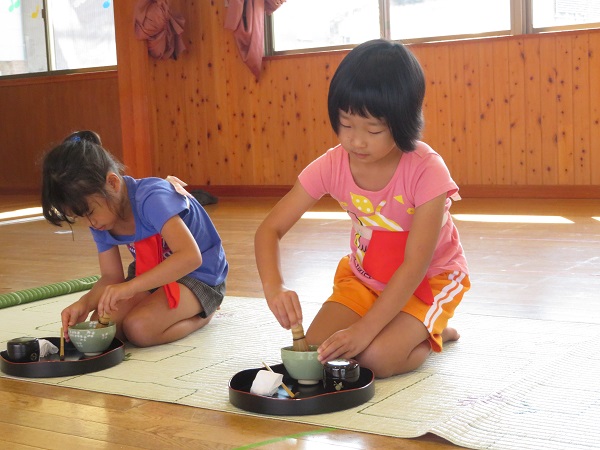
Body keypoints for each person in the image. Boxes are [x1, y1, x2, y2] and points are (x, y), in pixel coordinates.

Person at [254, 39, 470, 378]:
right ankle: (411, 329)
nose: (356, 140)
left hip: (428, 280)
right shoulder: (332, 165)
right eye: (346, 124)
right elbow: (270, 229)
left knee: (376, 359)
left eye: (373, 129)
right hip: (366, 278)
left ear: (402, 122)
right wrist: (274, 287)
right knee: (317, 354)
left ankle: (433, 331)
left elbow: (415, 264)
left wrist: (365, 330)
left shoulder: (427, 170)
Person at [42, 130, 228, 347]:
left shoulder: (152, 198)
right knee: (104, 327)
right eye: (80, 217)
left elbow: (190, 257)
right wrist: (85, 303)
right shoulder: (101, 217)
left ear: (112, 183)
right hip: (150, 273)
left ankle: (204, 314)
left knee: (139, 329)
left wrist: (130, 288)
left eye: (89, 213)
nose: (89, 223)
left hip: (200, 275)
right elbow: (111, 276)